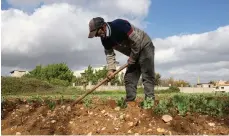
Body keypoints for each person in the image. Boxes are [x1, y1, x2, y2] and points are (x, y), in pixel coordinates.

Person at [88, 17, 155, 103]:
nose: (96, 36)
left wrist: (132, 58)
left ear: (103, 27)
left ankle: (149, 102)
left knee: (147, 75)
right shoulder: (104, 40)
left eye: (96, 33)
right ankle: (130, 102)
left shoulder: (119, 25)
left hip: (144, 46)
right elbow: (109, 54)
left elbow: (137, 42)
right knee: (129, 77)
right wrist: (111, 70)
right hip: (133, 53)